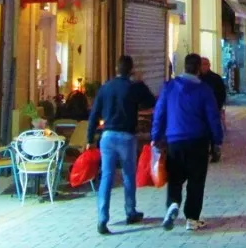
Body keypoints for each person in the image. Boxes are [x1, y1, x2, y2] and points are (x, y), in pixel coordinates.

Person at [87, 55, 157, 235]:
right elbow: (151, 102)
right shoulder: (134, 87)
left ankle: (102, 218)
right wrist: (140, 83)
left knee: (106, 177)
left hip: (107, 137)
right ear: (131, 69)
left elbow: (94, 114)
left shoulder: (105, 88)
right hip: (127, 137)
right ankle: (130, 211)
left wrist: (89, 139)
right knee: (128, 175)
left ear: (116, 69)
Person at [152, 53, 223, 232]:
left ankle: (173, 204)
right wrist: (217, 139)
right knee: (196, 181)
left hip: (174, 141)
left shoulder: (169, 87)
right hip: (198, 141)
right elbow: (213, 117)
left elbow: (159, 113)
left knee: (175, 178)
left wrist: (156, 136)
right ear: (199, 69)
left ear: (184, 67)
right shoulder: (204, 90)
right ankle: (192, 218)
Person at [199, 57, 227, 162]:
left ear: (209, 65)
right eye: (202, 64)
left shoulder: (215, 78)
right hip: (200, 111)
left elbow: (222, 94)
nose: (204, 66)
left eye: (206, 64)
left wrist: (218, 106)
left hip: (213, 109)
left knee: (213, 131)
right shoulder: (197, 79)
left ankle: (215, 150)